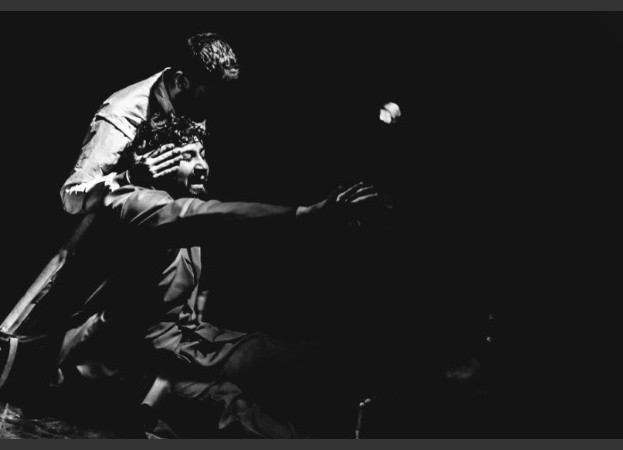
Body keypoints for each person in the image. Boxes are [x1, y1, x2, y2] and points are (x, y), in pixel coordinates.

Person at [56, 113, 382, 438]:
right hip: (135, 362)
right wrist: (304, 215)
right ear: (155, 161)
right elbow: (207, 217)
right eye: (187, 156)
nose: (202, 165)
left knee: (313, 360)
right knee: (243, 415)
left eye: (202, 154)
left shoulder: (180, 206)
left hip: (191, 344)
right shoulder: (136, 204)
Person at [60, 32, 239, 215]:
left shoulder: (195, 99)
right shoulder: (120, 114)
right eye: (209, 100)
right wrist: (128, 178)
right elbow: (71, 198)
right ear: (181, 81)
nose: (215, 111)